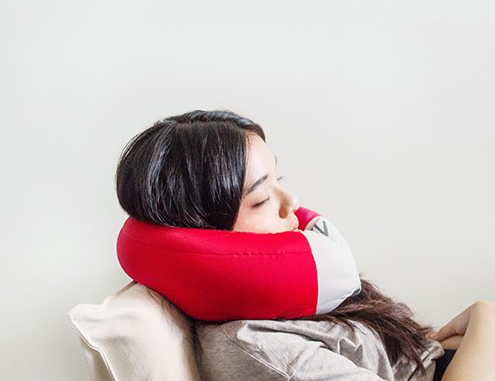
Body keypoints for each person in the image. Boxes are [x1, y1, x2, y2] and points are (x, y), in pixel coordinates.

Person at [115, 110, 495, 381]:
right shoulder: (261, 351)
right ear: (203, 234)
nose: (292, 202)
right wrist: (487, 321)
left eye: (279, 179)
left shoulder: (285, 305)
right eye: (262, 198)